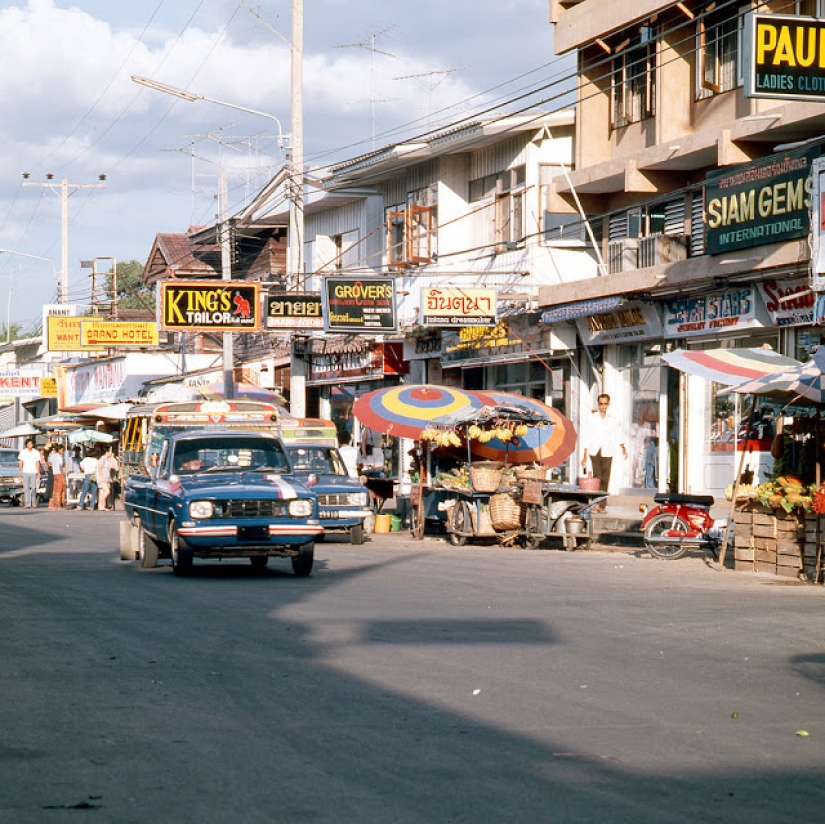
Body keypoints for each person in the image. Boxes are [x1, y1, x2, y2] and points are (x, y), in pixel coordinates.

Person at [580, 393, 627, 512]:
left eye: (605, 404)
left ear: (608, 404)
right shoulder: (592, 418)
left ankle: (602, 505)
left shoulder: (612, 419)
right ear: (598, 404)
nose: (603, 406)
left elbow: (618, 433)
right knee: (597, 477)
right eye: (601, 404)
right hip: (594, 450)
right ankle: (595, 504)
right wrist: (584, 455)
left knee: (606, 478)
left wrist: (623, 448)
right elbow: (586, 436)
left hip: (607, 450)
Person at [17, 438, 44, 509]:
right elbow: (21, 462)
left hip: (33, 471)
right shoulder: (23, 452)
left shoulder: (36, 452)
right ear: (26, 445)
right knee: (26, 488)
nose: (30, 445)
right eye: (28, 444)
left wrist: (38, 472)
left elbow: (37, 462)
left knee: (34, 487)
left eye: (31, 444)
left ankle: (34, 502)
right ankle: (27, 503)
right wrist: (19, 472)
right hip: (25, 471)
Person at [96, 446, 117, 511]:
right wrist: (102, 477)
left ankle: (100, 505)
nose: (111, 453)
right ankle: (102, 504)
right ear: (107, 452)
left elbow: (113, 467)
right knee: (107, 491)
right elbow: (99, 469)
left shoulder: (107, 459)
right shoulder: (103, 459)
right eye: (110, 451)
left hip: (106, 477)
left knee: (102, 491)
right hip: (102, 477)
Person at [48, 444, 67, 510]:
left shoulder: (53, 456)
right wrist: (63, 476)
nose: (62, 451)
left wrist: (53, 467)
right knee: (60, 489)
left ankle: (54, 504)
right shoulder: (59, 457)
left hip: (54, 473)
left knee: (55, 489)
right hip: (59, 473)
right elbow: (60, 467)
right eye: (62, 450)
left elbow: (49, 463)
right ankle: (59, 505)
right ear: (59, 450)